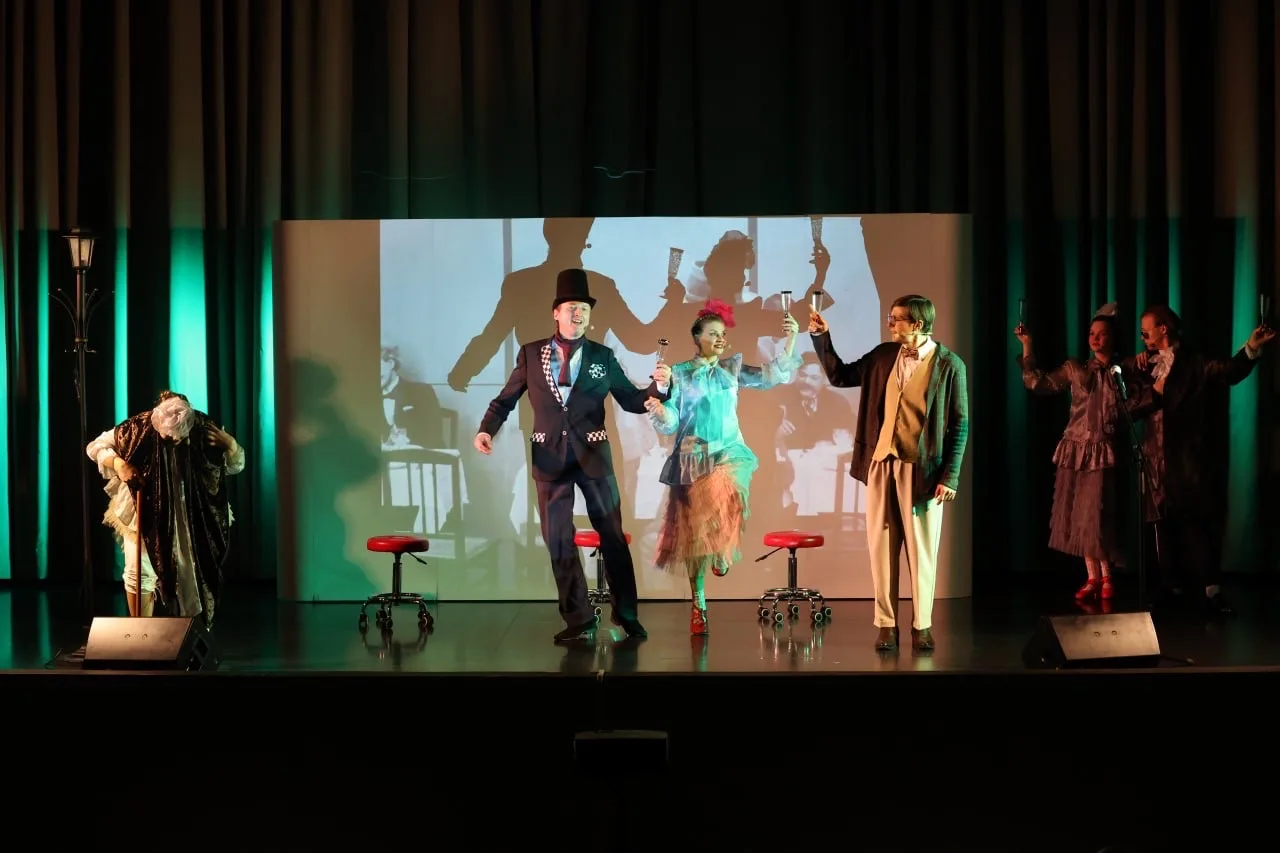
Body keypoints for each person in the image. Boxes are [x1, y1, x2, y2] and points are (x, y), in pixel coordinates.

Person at [474, 268, 672, 644]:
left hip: (594, 455)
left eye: (584, 308)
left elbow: (632, 400)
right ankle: (579, 619)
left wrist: (659, 387)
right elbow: (506, 399)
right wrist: (487, 429)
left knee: (612, 536)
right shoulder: (531, 353)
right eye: (571, 307)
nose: (578, 313)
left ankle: (627, 615)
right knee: (558, 541)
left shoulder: (602, 356)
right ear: (556, 313)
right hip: (549, 458)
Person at [809, 295, 969, 652]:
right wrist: (822, 338)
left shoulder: (949, 365)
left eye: (896, 318)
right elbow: (840, 375)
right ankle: (887, 625)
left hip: (923, 469)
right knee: (881, 547)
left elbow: (960, 424)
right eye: (890, 317)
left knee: (922, 550)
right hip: (882, 462)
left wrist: (950, 475)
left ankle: (921, 625)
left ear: (918, 324)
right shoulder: (883, 356)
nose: (890, 323)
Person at [644, 298, 801, 635]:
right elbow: (671, 421)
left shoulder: (731, 368)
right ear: (697, 337)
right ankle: (698, 603)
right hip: (692, 455)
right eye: (713, 333)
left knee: (732, 493)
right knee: (694, 537)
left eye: (722, 333)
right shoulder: (680, 373)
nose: (720, 338)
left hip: (729, 449)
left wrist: (791, 339)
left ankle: (723, 550)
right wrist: (659, 410)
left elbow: (770, 376)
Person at [1123, 306, 1275, 616]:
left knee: (1199, 523)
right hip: (1155, 456)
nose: (1143, 337)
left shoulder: (1194, 361)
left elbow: (1228, 371)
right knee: (1162, 525)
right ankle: (1170, 587)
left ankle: (1211, 590)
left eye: (1146, 330)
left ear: (1164, 328)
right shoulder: (1142, 365)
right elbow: (1131, 407)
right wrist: (1153, 388)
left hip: (1188, 455)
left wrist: (1251, 347)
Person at [85, 391, 245, 626]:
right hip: (145, 508)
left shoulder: (204, 429)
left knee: (190, 572)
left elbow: (234, 467)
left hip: (191, 511)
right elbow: (95, 447)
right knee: (139, 570)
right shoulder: (137, 428)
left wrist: (231, 446)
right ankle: (141, 632)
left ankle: (190, 633)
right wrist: (119, 464)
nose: (173, 442)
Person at [1015, 304, 1131, 601]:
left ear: (1113, 338)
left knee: (1098, 514)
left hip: (1104, 450)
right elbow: (1038, 383)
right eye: (1092, 333)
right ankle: (1093, 576)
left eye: (1102, 334)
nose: (1095, 339)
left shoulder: (1123, 371)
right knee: (1080, 514)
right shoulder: (1076, 369)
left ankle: (1107, 575)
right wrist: (1027, 345)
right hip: (1076, 449)